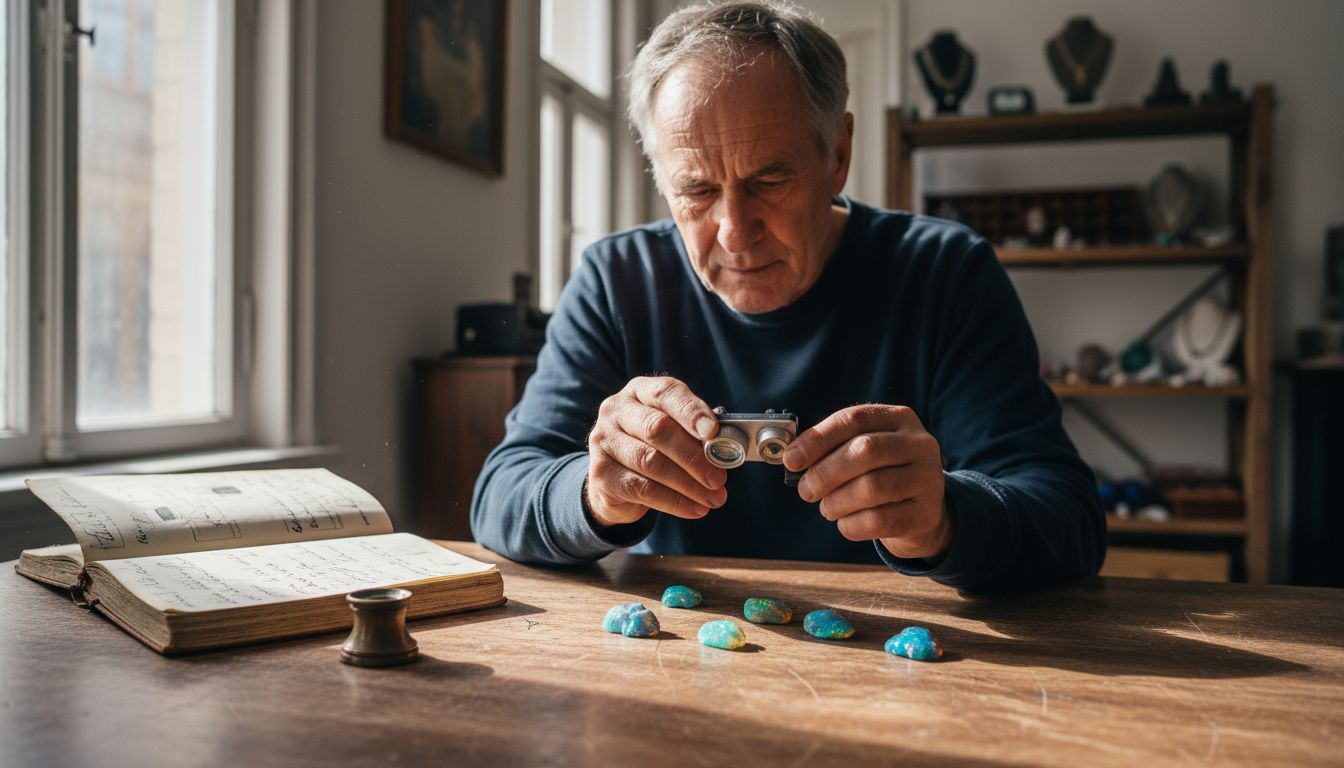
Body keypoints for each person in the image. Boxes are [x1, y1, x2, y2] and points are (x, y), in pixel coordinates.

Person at [471, 0, 1105, 592]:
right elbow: (498, 495)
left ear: (838, 153)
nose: (735, 232)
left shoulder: (945, 272)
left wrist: (945, 519)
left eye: (770, 178)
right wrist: (594, 494)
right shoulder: (617, 278)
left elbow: (1068, 519)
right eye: (695, 190)